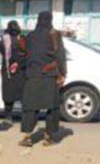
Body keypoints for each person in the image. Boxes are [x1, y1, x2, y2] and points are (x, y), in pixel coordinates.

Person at [20, 11, 67, 147]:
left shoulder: (30, 36)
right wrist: (63, 73)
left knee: (30, 108)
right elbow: (60, 55)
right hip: (48, 76)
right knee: (51, 108)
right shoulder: (54, 35)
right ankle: (48, 137)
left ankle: (27, 137)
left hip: (32, 76)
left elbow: (25, 56)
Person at [0, 20, 26, 124]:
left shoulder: (4, 40)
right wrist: (18, 63)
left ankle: (8, 117)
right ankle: (25, 117)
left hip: (7, 70)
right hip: (20, 70)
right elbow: (27, 54)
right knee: (22, 94)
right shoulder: (22, 39)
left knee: (8, 95)